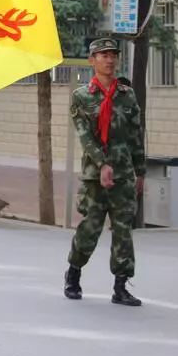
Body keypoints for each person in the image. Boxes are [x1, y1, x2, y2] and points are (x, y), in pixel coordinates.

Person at [64, 38, 146, 307]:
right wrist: (102, 164)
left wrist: (140, 170)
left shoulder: (127, 94)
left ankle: (121, 285)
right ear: (92, 60)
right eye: (103, 55)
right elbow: (85, 137)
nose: (109, 60)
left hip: (123, 175)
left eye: (113, 55)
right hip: (94, 177)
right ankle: (74, 272)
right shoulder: (81, 96)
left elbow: (135, 135)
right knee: (90, 228)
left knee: (123, 230)